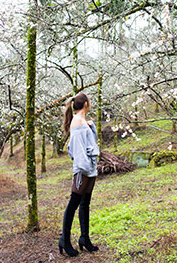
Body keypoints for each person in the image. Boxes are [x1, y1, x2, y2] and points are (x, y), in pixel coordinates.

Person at [59, 92, 100, 257]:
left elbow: (91, 143)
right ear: (85, 104)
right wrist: (84, 168)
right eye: (89, 101)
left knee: (85, 204)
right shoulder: (76, 122)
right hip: (83, 169)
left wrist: (91, 128)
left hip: (89, 168)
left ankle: (84, 239)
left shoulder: (83, 122)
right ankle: (65, 240)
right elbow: (75, 148)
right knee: (73, 204)